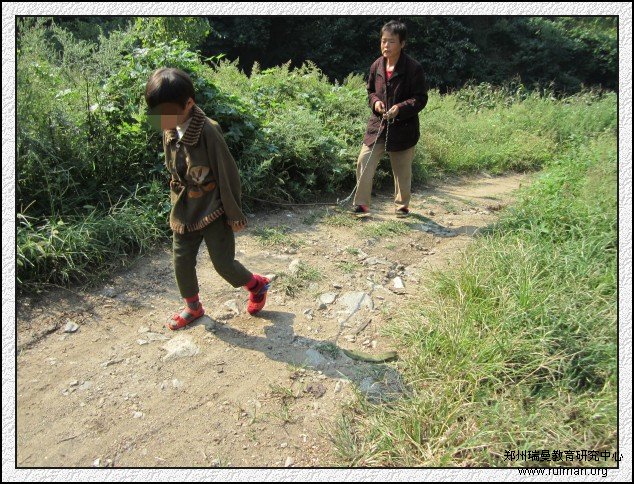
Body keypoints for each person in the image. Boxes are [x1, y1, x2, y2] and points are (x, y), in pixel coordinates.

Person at [145, 68, 270, 330]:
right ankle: (193, 307)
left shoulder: (208, 131)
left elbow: (228, 174)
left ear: (189, 103)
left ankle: (256, 285)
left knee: (223, 264)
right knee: (181, 260)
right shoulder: (169, 129)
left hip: (214, 208)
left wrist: (234, 214)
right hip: (184, 209)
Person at [352, 20, 429, 217]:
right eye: (383, 41)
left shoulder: (413, 68)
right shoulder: (377, 65)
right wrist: (376, 103)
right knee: (364, 160)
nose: (386, 46)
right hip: (378, 125)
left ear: (402, 43)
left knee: (402, 171)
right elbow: (370, 92)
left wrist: (399, 108)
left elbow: (420, 99)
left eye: (391, 42)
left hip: (404, 127)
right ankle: (361, 205)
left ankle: (401, 206)